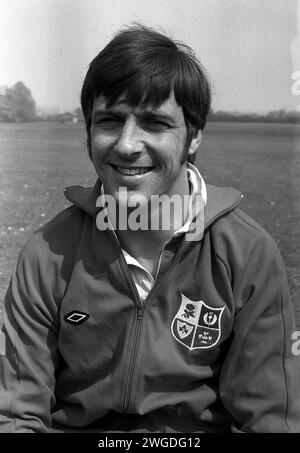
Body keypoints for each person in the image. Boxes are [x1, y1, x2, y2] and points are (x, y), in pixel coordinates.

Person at [0, 24, 299, 433]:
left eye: (154, 123)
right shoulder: (48, 253)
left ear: (193, 136)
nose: (126, 144)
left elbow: (269, 417)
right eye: (109, 121)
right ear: (88, 132)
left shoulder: (247, 254)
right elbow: (16, 413)